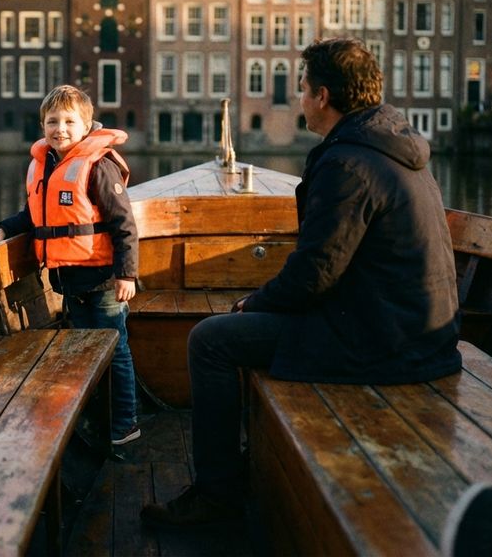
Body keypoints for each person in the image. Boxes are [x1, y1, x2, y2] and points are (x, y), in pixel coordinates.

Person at [141, 37, 461, 528]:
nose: (299, 98)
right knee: (245, 325)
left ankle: (217, 497)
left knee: (211, 341)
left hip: (386, 344)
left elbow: (316, 272)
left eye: (303, 88)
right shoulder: (391, 149)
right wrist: (268, 300)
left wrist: (256, 302)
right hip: (420, 333)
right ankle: (244, 465)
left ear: (323, 97)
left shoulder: (347, 164)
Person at [0, 85, 141, 445]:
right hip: (69, 281)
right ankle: (96, 416)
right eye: (52, 121)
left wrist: (127, 274)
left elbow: (124, 225)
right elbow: (33, 214)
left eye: (69, 121)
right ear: (43, 126)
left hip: (103, 281)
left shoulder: (99, 166)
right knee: (84, 351)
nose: (60, 129)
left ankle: (125, 422)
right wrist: (5, 228)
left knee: (114, 350)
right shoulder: (46, 165)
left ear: (86, 126)